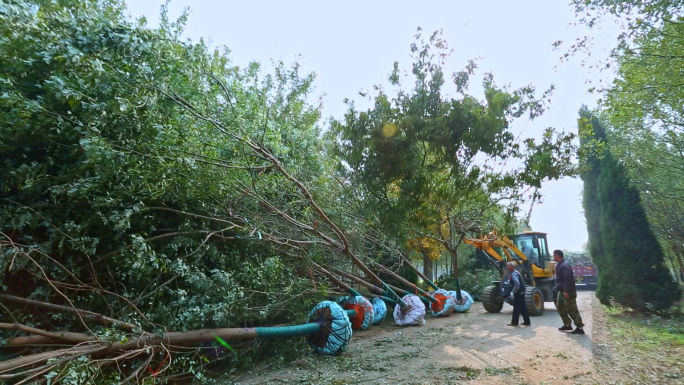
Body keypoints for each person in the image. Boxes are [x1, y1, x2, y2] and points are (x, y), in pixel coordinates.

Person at [553, 250, 585, 334]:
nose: (553, 257)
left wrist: (566, 291)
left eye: (554, 255)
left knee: (572, 309)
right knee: (559, 307)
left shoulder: (565, 265)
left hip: (567, 291)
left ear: (557, 255)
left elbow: (567, 279)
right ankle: (567, 324)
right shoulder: (559, 265)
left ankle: (580, 327)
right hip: (562, 290)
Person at [504, 262, 530, 327]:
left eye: (508, 265)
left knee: (516, 308)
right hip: (522, 292)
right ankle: (527, 321)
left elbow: (517, 284)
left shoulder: (514, 274)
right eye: (507, 265)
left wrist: (512, 292)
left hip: (519, 293)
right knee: (523, 308)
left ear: (512, 267)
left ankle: (514, 322)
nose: (507, 267)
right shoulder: (517, 272)